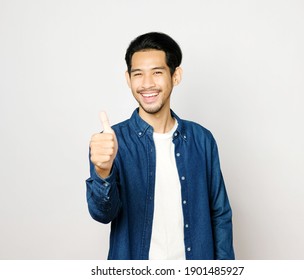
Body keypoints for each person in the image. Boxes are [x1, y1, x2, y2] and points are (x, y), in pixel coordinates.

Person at [86, 32, 234, 260]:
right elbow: (103, 214)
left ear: (176, 76)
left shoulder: (201, 140)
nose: (147, 84)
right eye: (138, 74)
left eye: (157, 72)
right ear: (128, 79)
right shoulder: (111, 142)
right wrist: (102, 172)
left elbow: (220, 214)